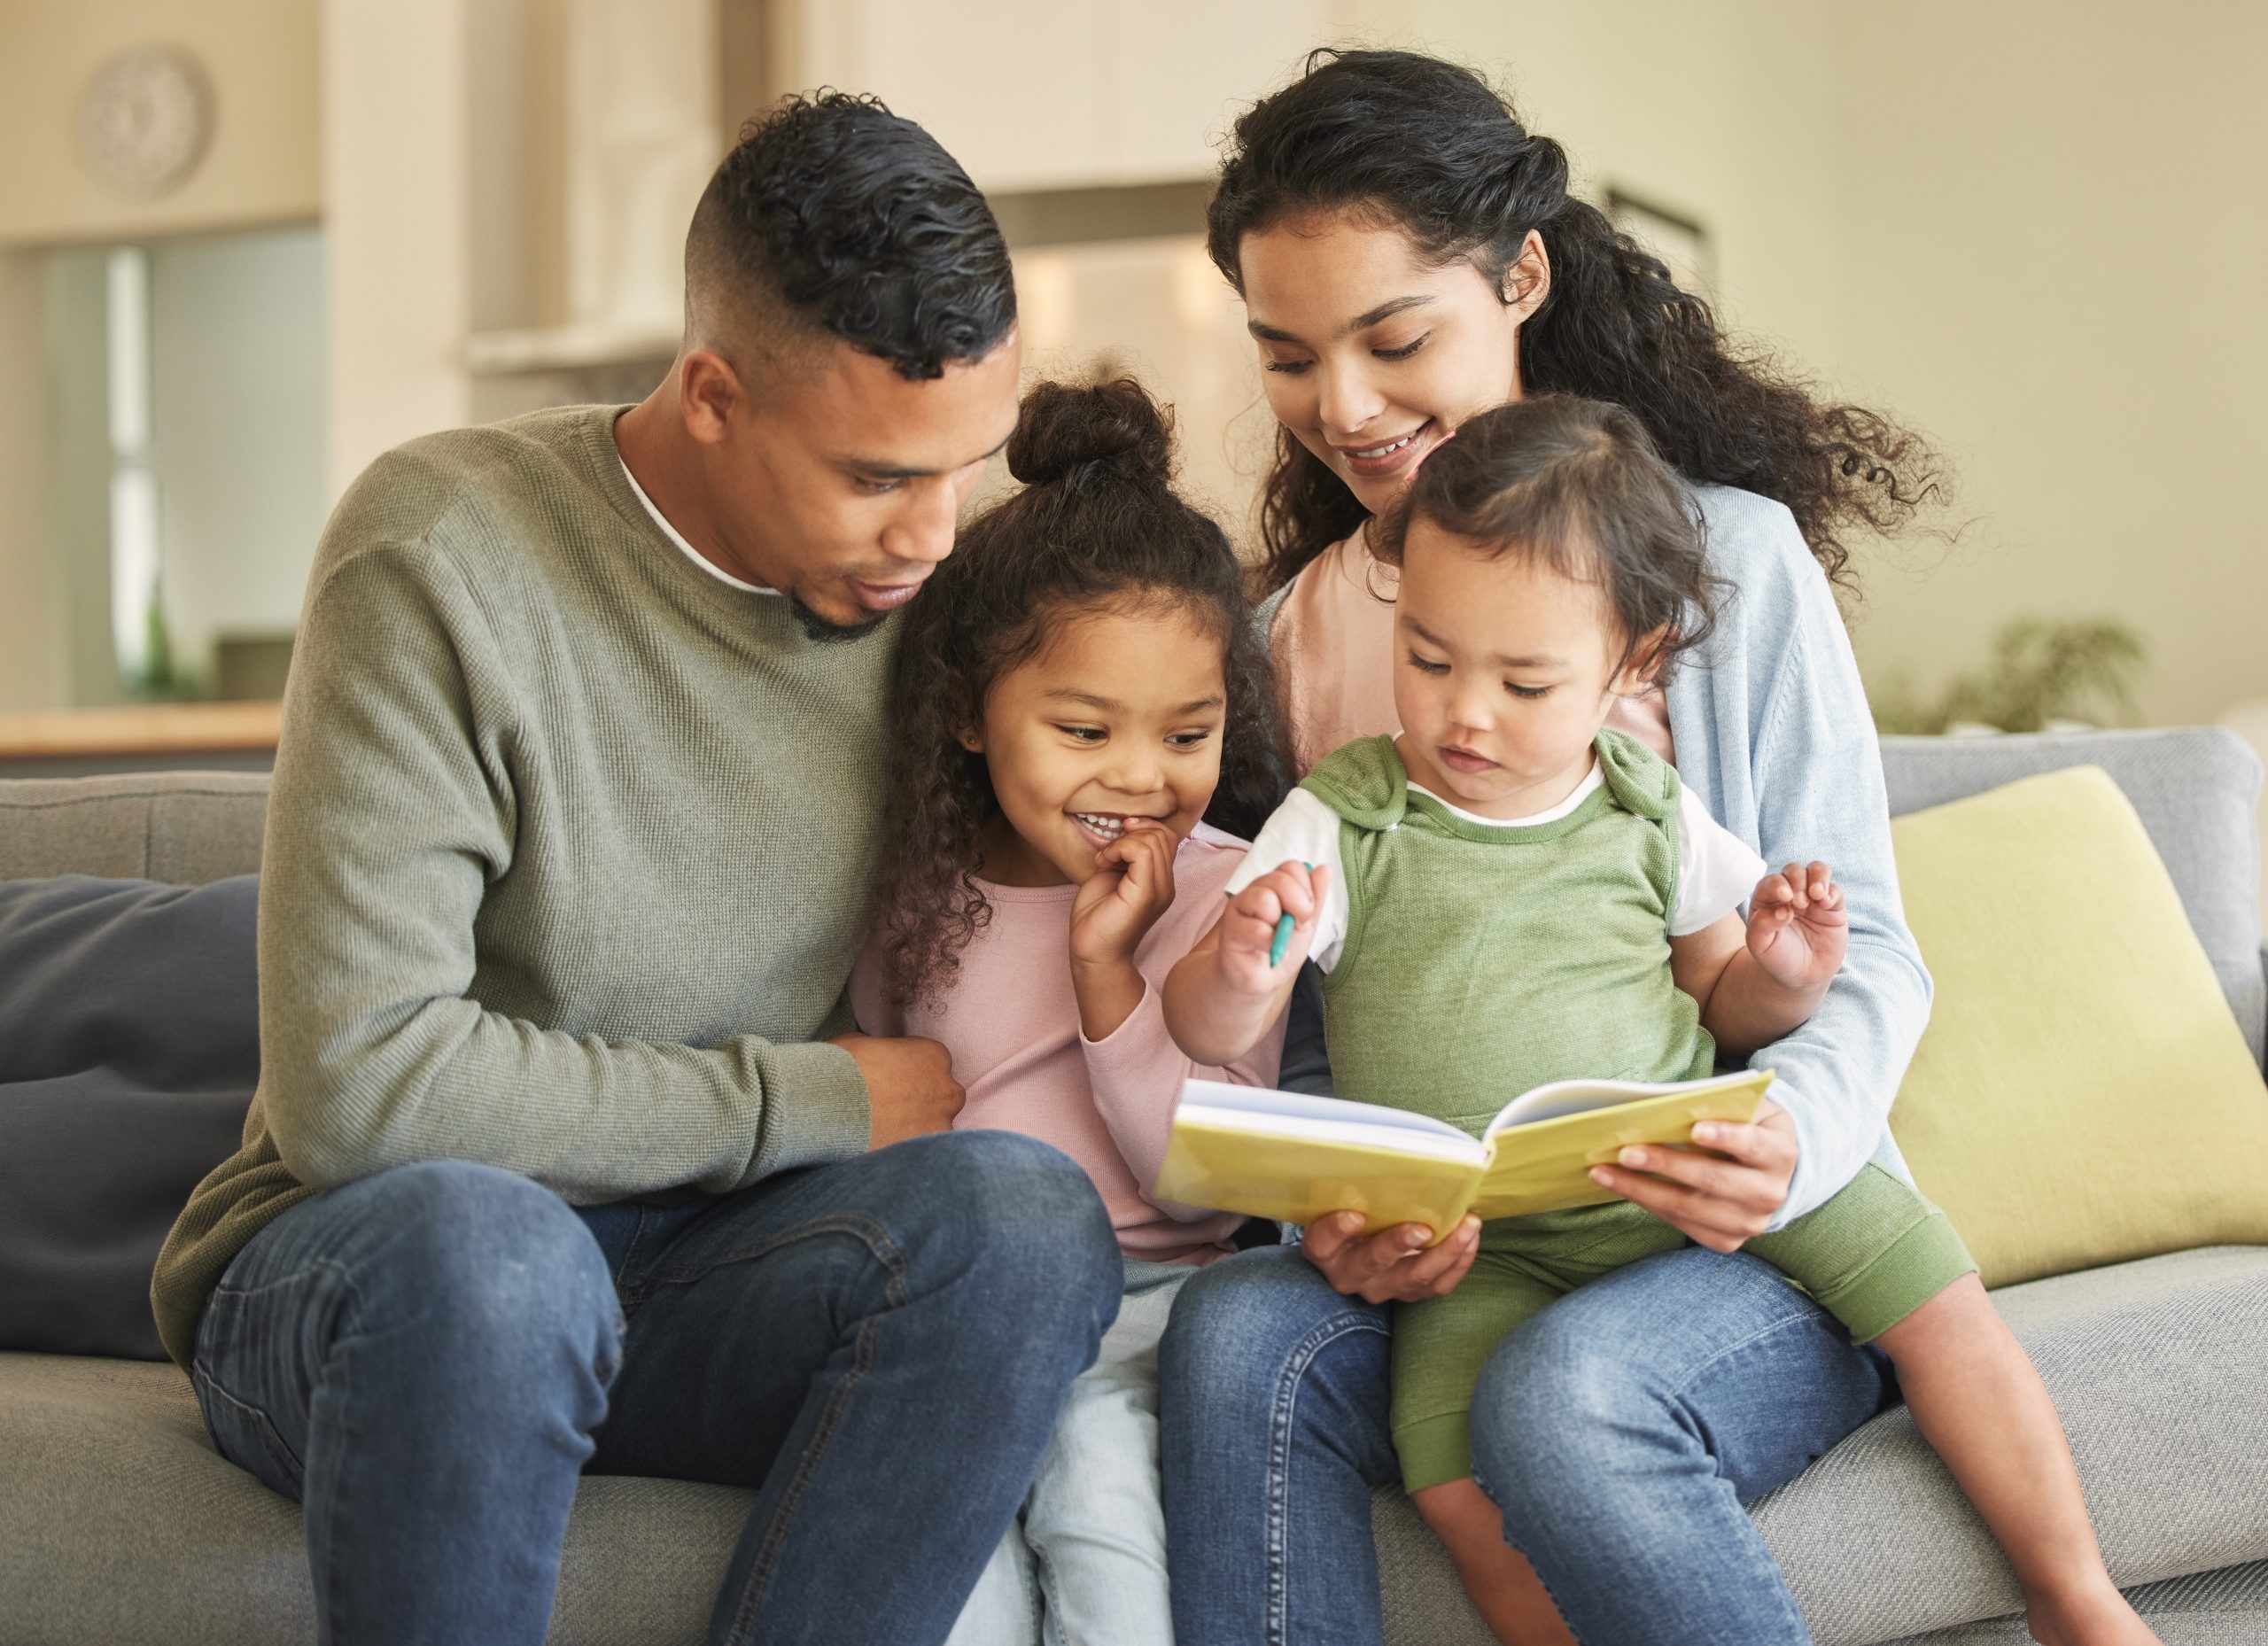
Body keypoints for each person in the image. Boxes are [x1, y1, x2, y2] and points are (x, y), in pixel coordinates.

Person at [151, 93, 1125, 1646]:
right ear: (715, 394)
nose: (936, 534)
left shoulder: (938, 588)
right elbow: (359, 1086)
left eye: (967, 466)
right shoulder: (446, 551)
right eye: (877, 475)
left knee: (1021, 1222)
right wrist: (798, 1099)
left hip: (703, 1270)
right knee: (498, 1254)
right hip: (383, 1265)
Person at [1150, 47, 2067, 1646]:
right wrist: (1343, 1214)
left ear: (1520, 276)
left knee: (1563, 1393)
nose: (1342, 408)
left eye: (1394, 336)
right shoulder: (1293, 636)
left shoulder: (1724, 570)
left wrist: (1788, 1137)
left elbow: (1864, 950)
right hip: (1475, 1247)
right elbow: (1299, 1033)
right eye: (1288, 356)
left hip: (1739, 1225)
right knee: (1233, 1337)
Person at [850, 377, 1290, 1646]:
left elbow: (1206, 1187)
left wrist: (1109, 979)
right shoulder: (916, 889)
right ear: (969, 714)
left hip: (1142, 1315)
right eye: (1084, 727)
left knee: (1114, 1560)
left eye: (1187, 730)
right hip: (963, 1322)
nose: (1140, 776)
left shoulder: (1226, 893)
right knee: (950, 1595)